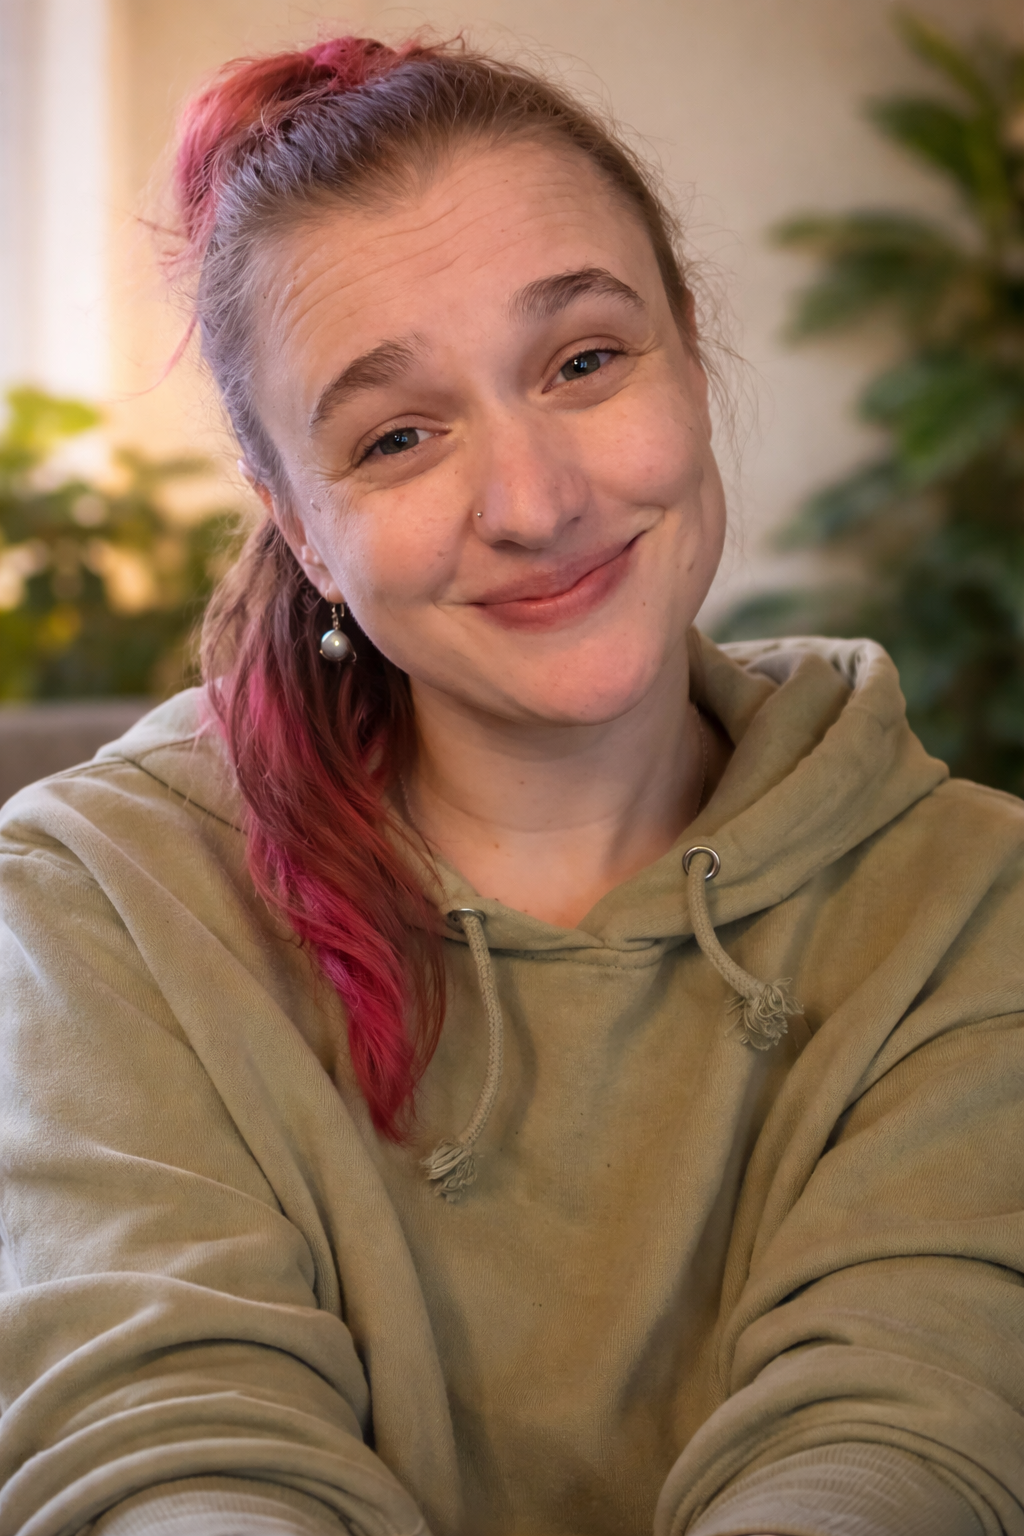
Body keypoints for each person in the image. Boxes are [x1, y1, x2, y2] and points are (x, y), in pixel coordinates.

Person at [1, 33, 1022, 1536]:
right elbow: (168, 1446)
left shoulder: (967, 900)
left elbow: (904, 1435)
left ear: (691, 345)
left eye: (585, 360)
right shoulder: (100, 905)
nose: (536, 504)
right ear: (299, 526)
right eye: (398, 436)